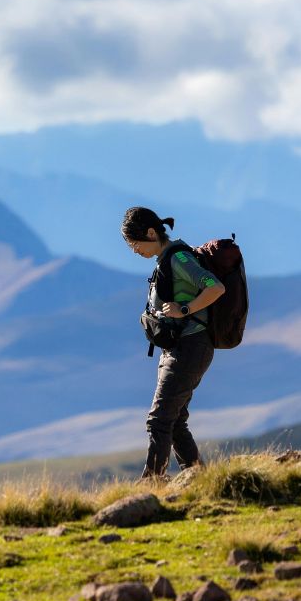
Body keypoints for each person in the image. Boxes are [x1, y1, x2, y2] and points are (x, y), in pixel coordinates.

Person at [121, 206, 226, 480]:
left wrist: (186, 309)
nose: (134, 251)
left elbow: (215, 287)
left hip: (191, 346)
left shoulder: (179, 258)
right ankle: (199, 479)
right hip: (178, 348)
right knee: (175, 420)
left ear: (151, 232)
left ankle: (152, 484)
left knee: (159, 420)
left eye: (134, 244)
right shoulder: (164, 259)